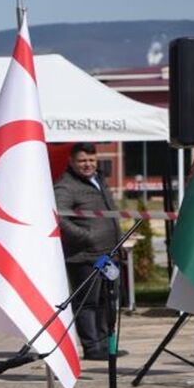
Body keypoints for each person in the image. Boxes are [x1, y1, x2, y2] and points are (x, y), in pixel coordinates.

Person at [54, 143, 120, 361]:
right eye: (82, 160)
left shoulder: (99, 180)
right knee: (87, 303)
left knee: (105, 302)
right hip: (84, 256)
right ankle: (92, 348)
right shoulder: (66, 186)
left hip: (108, 253)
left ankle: (104, 345)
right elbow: (58, 217)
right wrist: (86, 236)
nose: (88, 164)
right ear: (72, 162)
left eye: (91, 160)